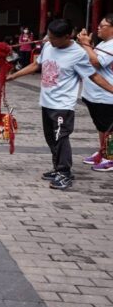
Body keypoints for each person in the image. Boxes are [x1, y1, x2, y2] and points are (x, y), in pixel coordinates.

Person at [8, 18, 113, 190]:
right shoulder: (49, 46)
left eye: (54, 38)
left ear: (67, 36)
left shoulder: (77, 54)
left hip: (63, 106)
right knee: (51, 139)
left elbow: (94, 76)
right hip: (47, 102)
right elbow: (36, 64)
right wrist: (14, 75)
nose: (50, 41)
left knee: (61, 139)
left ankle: (65, 173)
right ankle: (57, 168)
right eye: (49, 36)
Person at [77, 15, 113, 172]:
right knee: (101, 126)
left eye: (102, 25)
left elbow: (97, 62)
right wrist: (87, 45)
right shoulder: (104, 43)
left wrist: (86, 45)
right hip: (93, 94)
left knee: (108, 127)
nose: (98, 28)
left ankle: (110, 157)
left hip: (106, 94)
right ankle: (103, 151)